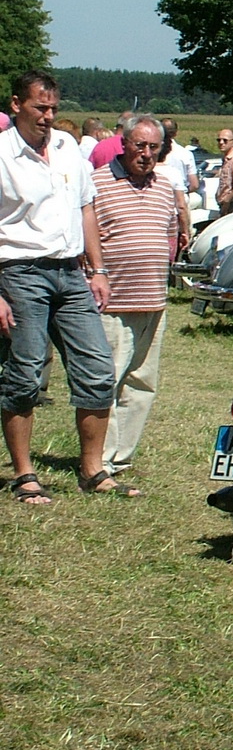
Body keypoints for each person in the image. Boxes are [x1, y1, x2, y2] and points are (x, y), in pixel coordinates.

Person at [0, 72, 120, 503]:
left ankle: (93, 470)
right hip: (20, 272)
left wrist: (98, 270)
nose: (48, 116)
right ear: (17, 104)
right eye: (40, 107)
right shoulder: (2, 153)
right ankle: (25, 475)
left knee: (97, 369)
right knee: (26, 373)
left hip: (71, 272)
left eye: (53, 108)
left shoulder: (68, 147)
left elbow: (85, 207)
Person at [91, 116, 189, 480]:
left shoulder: (164, 186)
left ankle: (122, 456)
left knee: (142, 383)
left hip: (153, 300)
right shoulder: (97, 183)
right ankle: (100, 458)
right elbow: (85, 238)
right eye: (139, 145)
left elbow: (169, 234)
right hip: (112, 302)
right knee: (108, 381)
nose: (146, 154)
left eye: (154, 147)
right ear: (124, 144)